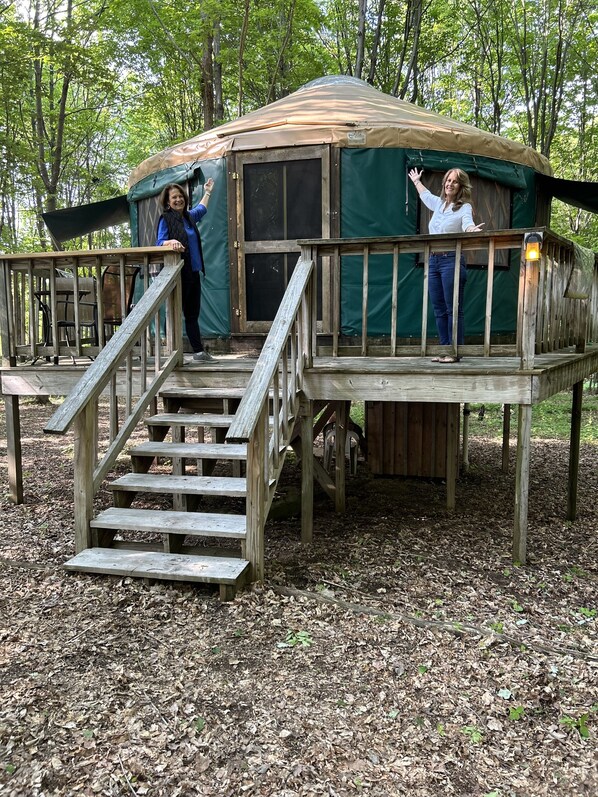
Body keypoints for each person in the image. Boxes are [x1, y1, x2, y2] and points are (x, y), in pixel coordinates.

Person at [408, 167, 484, 362]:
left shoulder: (463, 207)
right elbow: (426, 196)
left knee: (453, 308)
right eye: (447, 180)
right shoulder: (440, 204)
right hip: (433, 260)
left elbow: (467, 223)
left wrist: (471, 230)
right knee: (439, 308)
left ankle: (455, 352)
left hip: (452, 260)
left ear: (461, 186)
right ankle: (443, 350)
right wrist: (416, 181)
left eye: (454, 181)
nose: (449, 184)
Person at [156, 178, 216, 362]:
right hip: (178, 272)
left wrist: (207, 191)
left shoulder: (189, 217)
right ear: (167, 201)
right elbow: (159, 242)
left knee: (192, 313)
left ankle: (198, 352)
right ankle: (170, 352)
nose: (178, 200)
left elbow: (202, 209)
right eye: (174, 197)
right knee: (174, 312)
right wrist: (170, 242)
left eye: (180, 196)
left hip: (193, 271)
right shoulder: (166, 219)